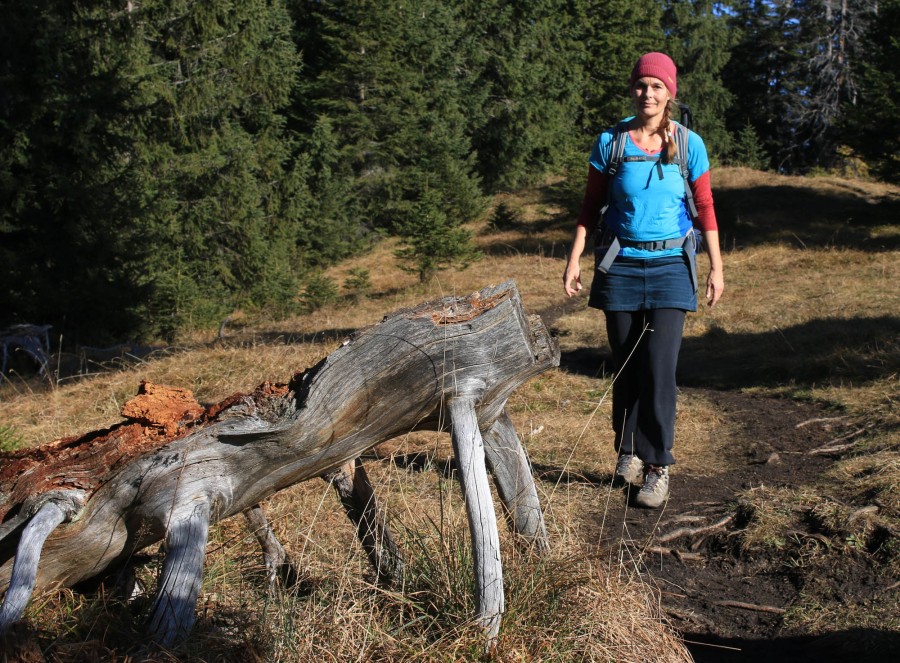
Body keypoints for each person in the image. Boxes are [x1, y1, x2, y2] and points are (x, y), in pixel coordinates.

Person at [562, 52, 724, 508]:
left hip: (673, 265)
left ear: (670, 92)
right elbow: (590, 207)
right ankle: (628, 447)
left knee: (659, 367)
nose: (647, 94)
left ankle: (657, 467)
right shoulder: (610, 142)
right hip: (621, 267)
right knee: (628, 363)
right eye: (641, 85)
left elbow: (706, 206)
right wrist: (574, 259)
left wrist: (717, 267)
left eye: (656, 86)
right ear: (632, 89)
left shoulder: (689, 144)